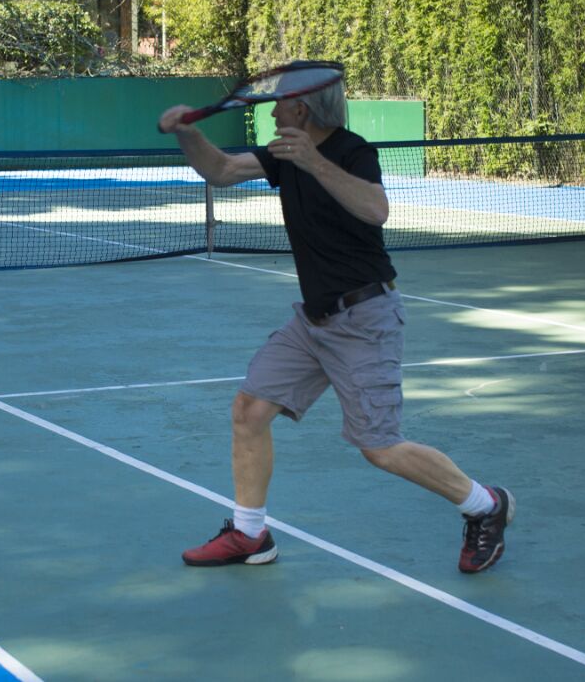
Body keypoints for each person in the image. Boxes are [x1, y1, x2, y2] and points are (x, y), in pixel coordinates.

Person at [157, 68, 513, 574]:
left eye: (279, 104)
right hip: (314, 320)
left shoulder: (351, 151)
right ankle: (250, 534)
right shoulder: (281, 153)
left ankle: (485, 505)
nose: (272, 111)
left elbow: (376, 209)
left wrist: (313, 161)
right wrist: (189, 133)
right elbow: (220, 171)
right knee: (249, 411)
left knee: (381, 447)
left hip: (365, 317)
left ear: (302, 109)